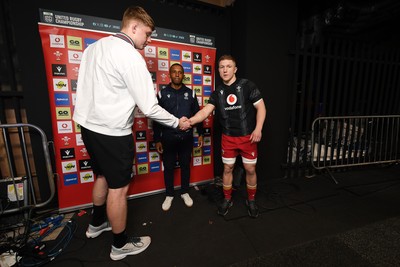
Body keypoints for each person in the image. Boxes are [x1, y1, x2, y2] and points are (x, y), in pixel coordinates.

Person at [72, 6, 191, 261]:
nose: (149, 40)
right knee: (118, 188)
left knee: (102, 175)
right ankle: (119, 245)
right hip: (112, 133)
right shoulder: (130, 55)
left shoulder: (94, 47)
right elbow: (149, 107)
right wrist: (177, 123)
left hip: (88, 127)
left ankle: (96, 224)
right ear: (133, 26)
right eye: (147, 33)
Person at [189, 54, 266, 218]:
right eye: (222, 67)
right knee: (227, 168)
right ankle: (227, 199)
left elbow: (261, 108)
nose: (225, 70)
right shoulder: (218, 92)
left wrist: (258, 129)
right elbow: (205, 112)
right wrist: (190, 121)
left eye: (228, 66)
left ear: (235, 69)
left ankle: (251, 200)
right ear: (218, 70)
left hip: (248, 137)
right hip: (228, 138)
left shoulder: (247, 85)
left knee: (250, 169)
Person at [153, 63, 204, 211]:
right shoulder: (162, 93)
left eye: (180, 72)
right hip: (168, 138)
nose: (177, 74)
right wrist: (157, 139)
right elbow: (157, 119)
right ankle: (169, 194)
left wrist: (200, 134)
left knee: (185, 166)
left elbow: (197, 115)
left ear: (183, 75)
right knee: (168, 167)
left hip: (186, 138)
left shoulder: (191, 93)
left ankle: (185, 192)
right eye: (174, 72)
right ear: (169, 74)